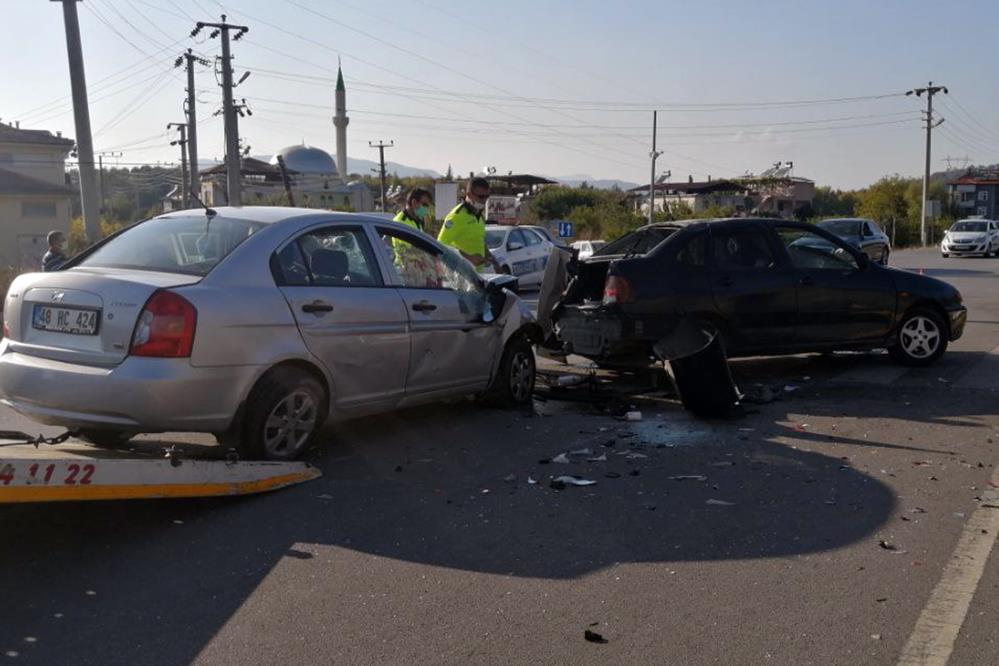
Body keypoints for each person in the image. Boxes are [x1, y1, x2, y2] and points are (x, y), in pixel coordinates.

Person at [438, 177, 497, 272]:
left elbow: (480, 242)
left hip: (478, 274)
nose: (484, 200)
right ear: (469, 194)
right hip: (460, 274)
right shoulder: (456, 216)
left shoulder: (479, 215)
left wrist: (494, 262)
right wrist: (469, 258)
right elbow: (441, 244)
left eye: (487, 196)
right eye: (481, 197)